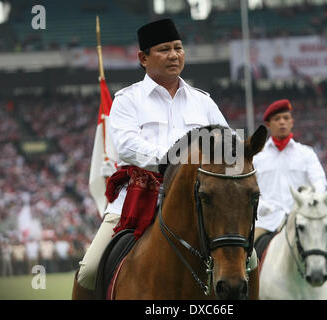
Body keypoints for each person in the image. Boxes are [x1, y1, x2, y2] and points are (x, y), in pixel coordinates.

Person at [72, 18, 229, 299]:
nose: (174, 55)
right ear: (143, 58)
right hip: (136, 201)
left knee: (249, 258)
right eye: (164, 49)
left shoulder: (203, 101)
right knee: (89, 270)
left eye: (178, 48)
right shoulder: (127, 100)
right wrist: (172, 161)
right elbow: (126, 145)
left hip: (197, 205)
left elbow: (227, 146)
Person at [252, 99, 327, 299]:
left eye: (286, 118)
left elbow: (319, 184)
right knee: (245, 255)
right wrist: (261, 206)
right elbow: (250, 188)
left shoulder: (306, 154)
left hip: (304, 219)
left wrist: (312, 201)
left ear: (292, 122)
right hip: (267, 222)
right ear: (268, 124)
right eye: (277, 119)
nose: (282, 122)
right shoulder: (257, 157)